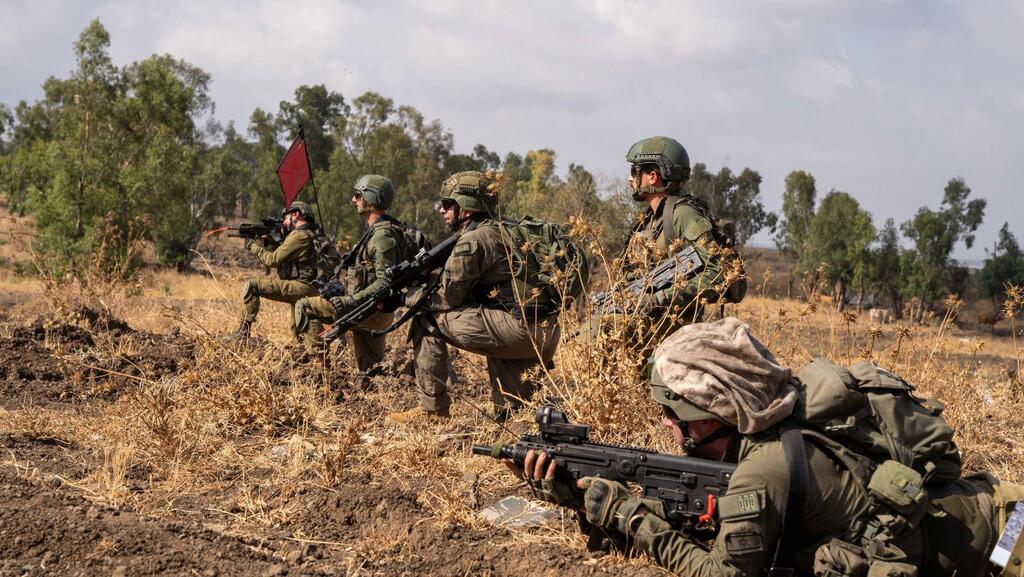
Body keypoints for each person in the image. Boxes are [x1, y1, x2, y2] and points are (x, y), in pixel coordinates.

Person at [517, 317, 1023, 577]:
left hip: (1005, 550)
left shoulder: (766, 467)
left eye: (678, 417)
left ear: (715, 413)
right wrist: (577, 493)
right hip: (999, 508)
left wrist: (631, 518)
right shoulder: (785, 410)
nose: (672, 431)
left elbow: (723, 572)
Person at [388, 171, 560, 424]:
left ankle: (432, 411)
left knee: (426, 315)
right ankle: (516, 415)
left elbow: (444, 298)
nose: (441, 210)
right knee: (515, 418)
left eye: (447, 204)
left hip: (519, 330)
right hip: (545, 331)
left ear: (466, 208)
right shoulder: (509, 228)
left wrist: (403, 299)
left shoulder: (474, 239)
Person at [592, 136, 731, 350]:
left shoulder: (683, 214)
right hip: (648, 329)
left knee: (598, 330)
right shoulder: (648, 220)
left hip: (674, 331)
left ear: (652, 176)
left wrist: (659, 298)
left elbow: (718, 270)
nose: (630, 179)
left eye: (634, 172)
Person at [293, 175, 407, 371]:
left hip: (368, 311)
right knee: (370, 373)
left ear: (370, 199)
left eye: (358, 195)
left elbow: (385, 283)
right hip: (370, 310)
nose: (354, 200)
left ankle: (321, 370)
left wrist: (350, 301)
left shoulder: (382, 236)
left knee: (304, 305)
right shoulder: (379, 230)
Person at [233, 201, 320, 339]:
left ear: (296, 214)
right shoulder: (309, 233)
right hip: (309, 287)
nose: (284, 222)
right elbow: (289, 256)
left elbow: (272, 260)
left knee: (252, 286)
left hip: (301, 286)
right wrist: (273, 242)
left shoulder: (299, 235)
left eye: (286, 217)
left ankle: (243, 333)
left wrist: (253, 246)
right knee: (300, 332)